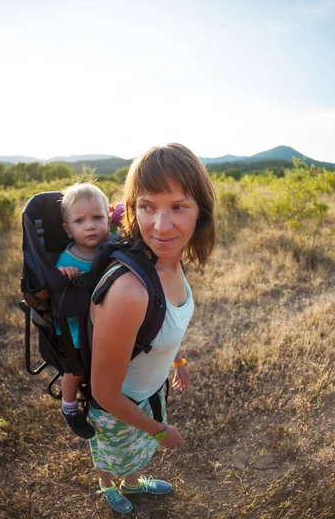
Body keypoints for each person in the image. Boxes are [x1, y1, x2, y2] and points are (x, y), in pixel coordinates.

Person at [88, 143, 216, 513]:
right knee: (112, 455)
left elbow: (161, 326)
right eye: (147, 207)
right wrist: (159, 430)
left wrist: (176, 361)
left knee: (134, 454)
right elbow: (106, 393)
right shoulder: (130, 291)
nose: (160, 227)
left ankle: (131, 483)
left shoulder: (170, 261)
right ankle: (109, 488)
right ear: (132, 209)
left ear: (201, 213)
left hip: (147, 392)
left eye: (177, 207)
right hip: (117, 407)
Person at [56, 183, 111, 438]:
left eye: (98, 217)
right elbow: (55, 288)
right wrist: (64, 276)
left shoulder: (110, 247)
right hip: (75, 327)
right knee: (74, 369)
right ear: (68, 230)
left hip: (104, 319)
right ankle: (68, 407)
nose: (90, 225)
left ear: (109, 219)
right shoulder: (67, 260)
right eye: (80, 220)